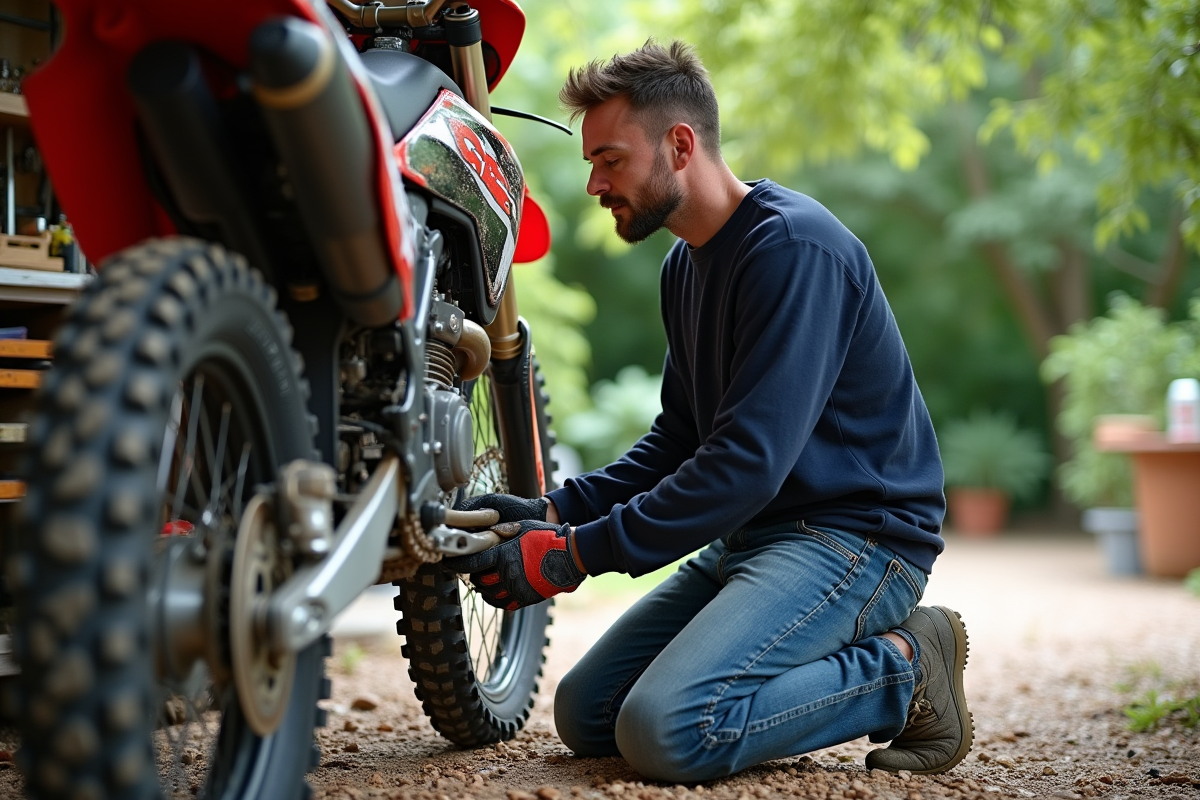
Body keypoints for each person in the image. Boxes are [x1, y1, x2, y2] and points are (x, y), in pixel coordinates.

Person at [443, 40, 971, 783]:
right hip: (754, 539)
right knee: (589, 714)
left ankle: (905, 668)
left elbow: (746, 465)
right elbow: (680, 441)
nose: (595, 183)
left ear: (680, 146)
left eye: (611, 159)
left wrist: (573, 555)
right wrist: (553, 510)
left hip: (855, 541)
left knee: (667, 730)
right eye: (593, 163)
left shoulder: (795, 250)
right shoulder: (684, 267)